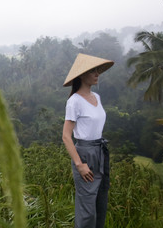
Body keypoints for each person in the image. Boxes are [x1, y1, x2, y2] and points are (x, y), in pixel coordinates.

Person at [62, 53, 114, 228]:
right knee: (87, 210)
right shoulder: (74, 101)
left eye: (98, 70)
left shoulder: (96, 98)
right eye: (93, 71)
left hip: (100, 151)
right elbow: (66, 136)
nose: (97, 73)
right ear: (82, 75)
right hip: (84, 154)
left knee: (100, 203)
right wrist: (79, 164)